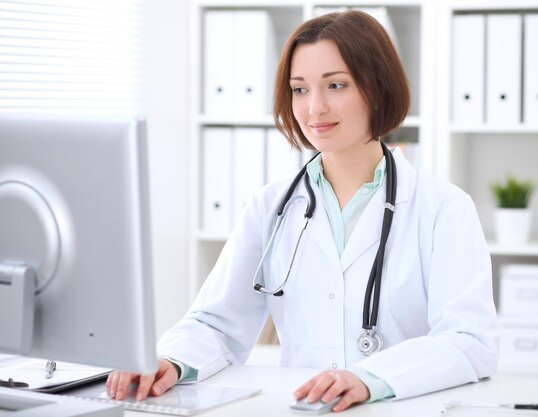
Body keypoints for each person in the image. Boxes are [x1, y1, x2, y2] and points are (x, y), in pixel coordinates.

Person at [107, 10, 499, 412]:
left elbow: (470, 341)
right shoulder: (271, 207)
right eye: (299, 89)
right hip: (302, 409)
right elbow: (216, 325)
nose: (315, 108)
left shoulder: (444, 208)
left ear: (378, 88)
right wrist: (170, 361)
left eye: (336, 85)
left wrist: (371, 379)